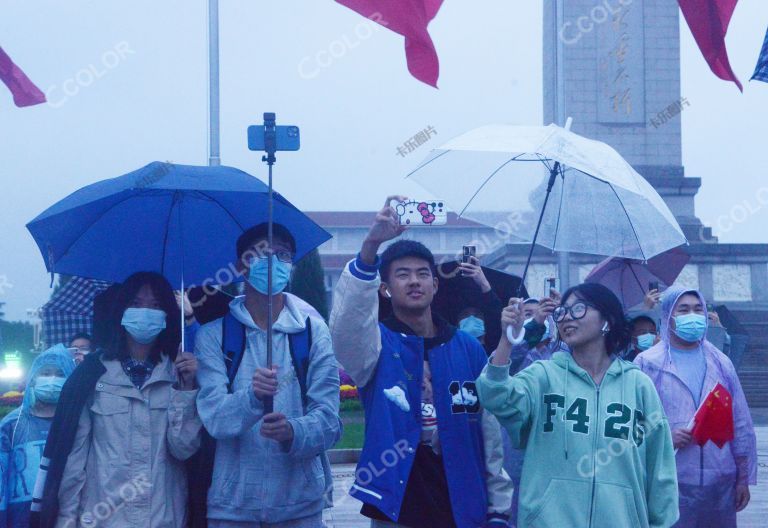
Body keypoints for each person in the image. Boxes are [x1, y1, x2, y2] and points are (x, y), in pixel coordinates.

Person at [330, 197, 513, 528]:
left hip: (462, 505)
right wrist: (371, 244)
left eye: (422, 274)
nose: (414, 281)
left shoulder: (468, 348)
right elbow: (345, 330)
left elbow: (490, 434)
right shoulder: (375, 345)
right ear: (384, 289)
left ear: (435, 284)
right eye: (402, 274)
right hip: (397, 507)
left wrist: (498, 509)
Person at [477, 282, 679, 528]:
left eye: (579, 308)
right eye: (561, 311)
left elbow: (660, 468)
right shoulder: (543, 375)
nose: (566, 317)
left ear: (608, 319)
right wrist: (507, 340)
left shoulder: (639, 386)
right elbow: (494, 395)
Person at [195, 223, 341, 527]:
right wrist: (252, 398)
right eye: (261, 254)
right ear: (241, 266)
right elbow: (214, 418)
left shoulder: (313, 333)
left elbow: (330, 421)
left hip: (300, 507)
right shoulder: (214, 336)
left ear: (292, 266)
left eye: (283, 255)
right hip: (232, 508)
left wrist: (293, 431)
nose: (273, 262)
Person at [30, 271, 202, 528]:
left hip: (164, 518)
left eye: (155, 306)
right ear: (121, 310)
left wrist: (187, 388)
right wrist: (66, 521)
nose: (146, 312)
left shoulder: (176, 372)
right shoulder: (93, 374)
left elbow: (184, 448)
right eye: (136, 304)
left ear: (167, 314)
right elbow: (75, 462)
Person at [634, 287, 757, 527]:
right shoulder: (647, 363)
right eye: (684, 310)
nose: (693, 315)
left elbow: (740, 421)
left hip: (719, 482)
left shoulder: (721, 363)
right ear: (669, 315)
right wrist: (665, 438)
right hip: (668, 482)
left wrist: (742, 477)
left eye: (698, 309)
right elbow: (633, 424)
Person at [0, 345, 75, 528]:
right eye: (46, 372)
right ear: (33, 378)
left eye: (60, 373)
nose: (52, 379)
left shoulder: (78, 424)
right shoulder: (11, 425)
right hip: (19, 518)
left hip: (66, 517)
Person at [454, 255, 503, 353]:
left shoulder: (495, 351)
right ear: (457, 325)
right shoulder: (453, 352)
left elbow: (495, 312)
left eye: (476, 315)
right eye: (465, 315)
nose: (471, 318)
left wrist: (484, 283)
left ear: (484, 323)